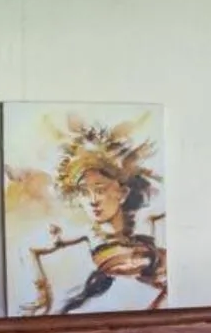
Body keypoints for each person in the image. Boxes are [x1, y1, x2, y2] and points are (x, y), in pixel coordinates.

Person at [28, 120, 167, 314]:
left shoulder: (146, 227)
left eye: (100, 190)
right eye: (84, 193)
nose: (92, 200)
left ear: (123, 193)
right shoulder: (83, 239)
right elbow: (30, 250)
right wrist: (41, 295)